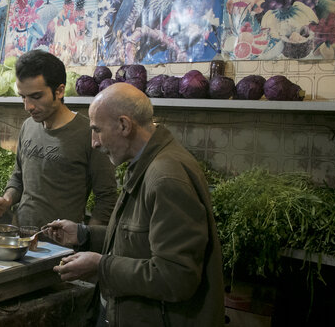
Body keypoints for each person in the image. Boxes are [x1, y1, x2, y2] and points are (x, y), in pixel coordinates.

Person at [46, 82, 224, 327]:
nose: (94, 143)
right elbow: (140, 241)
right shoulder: (146, 163)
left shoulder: (165, 177)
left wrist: (101, 266)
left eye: (96, 130)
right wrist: (84, 235)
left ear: (124, 125)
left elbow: (176, 277)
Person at [0, 50, 118, 228]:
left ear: (60, 91)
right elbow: (18, 178)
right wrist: (7, 199)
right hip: (21, 239)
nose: (28, 106)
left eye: (36, 96)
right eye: (23, 97)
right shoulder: (28, 126)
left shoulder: (89, 134)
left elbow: (107, 197)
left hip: (62, 248)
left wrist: (86, 239)